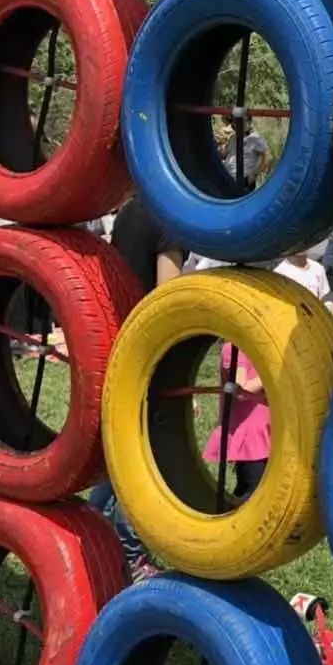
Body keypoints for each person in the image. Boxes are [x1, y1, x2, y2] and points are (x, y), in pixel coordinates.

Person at [91, 194, 186, 582]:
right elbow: (168, 298)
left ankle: (93, 527)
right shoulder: (169, 218)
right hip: (147, 351)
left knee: (119, 450)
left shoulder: (130, 209)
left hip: (115, 339)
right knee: (142, 458)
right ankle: (131, 555)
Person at [202, 248, 330, 500]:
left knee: (259, 489)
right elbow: (243, 388)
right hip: (249, 435)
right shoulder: (234, 348)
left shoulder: (265, 346)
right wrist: (278, 375)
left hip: (269, 431)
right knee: (253, 491)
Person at [221, 118, 272, 190]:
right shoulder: (233, 137)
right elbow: (224, 155)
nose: (237, 124)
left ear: (249, 122)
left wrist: (255, 174)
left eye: (243, 121)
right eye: (235, 122)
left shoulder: (255, 138)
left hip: (243, 181)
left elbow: (268, 157)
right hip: (227, 179)